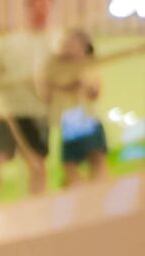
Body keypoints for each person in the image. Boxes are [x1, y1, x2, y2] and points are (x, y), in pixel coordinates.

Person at [0, 0, 58, 203]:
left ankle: (38, 209)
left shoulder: (57, 42)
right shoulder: (10, 42)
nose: (40, 10)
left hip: (37, 114)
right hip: (5, 115)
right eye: (36, 5)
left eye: (45, 5)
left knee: (37, 166)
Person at [52, 30, 107, 186]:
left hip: (88, 118)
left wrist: (82, 84)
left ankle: (100, 190)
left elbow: (95, 92)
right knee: (70, 164)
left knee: (96, 160)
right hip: (69, 122)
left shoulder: (89, 66)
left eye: (73, 43)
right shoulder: (57, 67)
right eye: (67, 43)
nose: (68, 46)